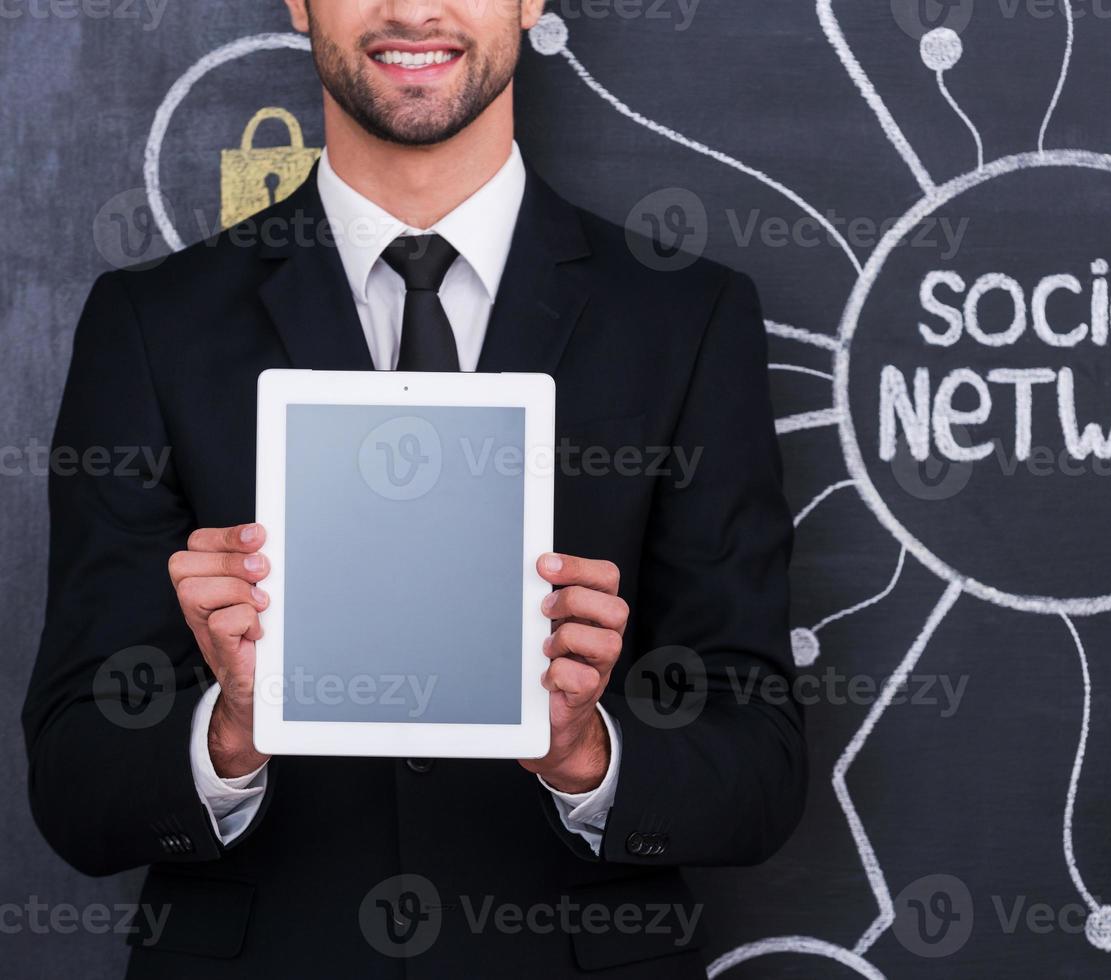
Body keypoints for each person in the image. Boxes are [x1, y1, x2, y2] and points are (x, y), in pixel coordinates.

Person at [22, 1, 806, 975]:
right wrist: (226, 728)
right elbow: (73, 782)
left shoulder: (687, 320)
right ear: (299, 3)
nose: (411, 10)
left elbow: (759, 765)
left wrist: (586, 751)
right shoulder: (152, 325)